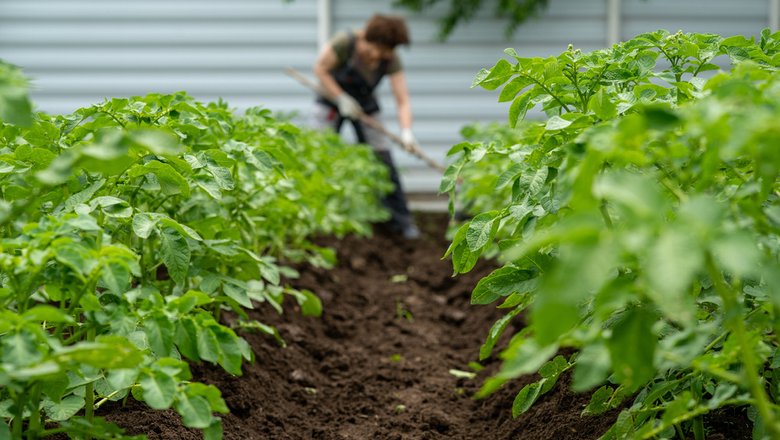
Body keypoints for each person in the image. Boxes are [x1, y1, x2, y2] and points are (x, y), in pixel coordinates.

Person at [311, 14, 421, 239]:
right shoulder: (345, 42)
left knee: (382, 158)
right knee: (318, 155)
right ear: (370, 41)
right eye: (380, 51)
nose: (382, 57)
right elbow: (320, 69)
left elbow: (403, 99)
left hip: (365, 105)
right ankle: (315, 221)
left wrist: (407, 132)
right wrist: (341, 98)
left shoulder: (390, 59)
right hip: (330, 100)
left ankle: (400, 222)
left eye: (388, 52)